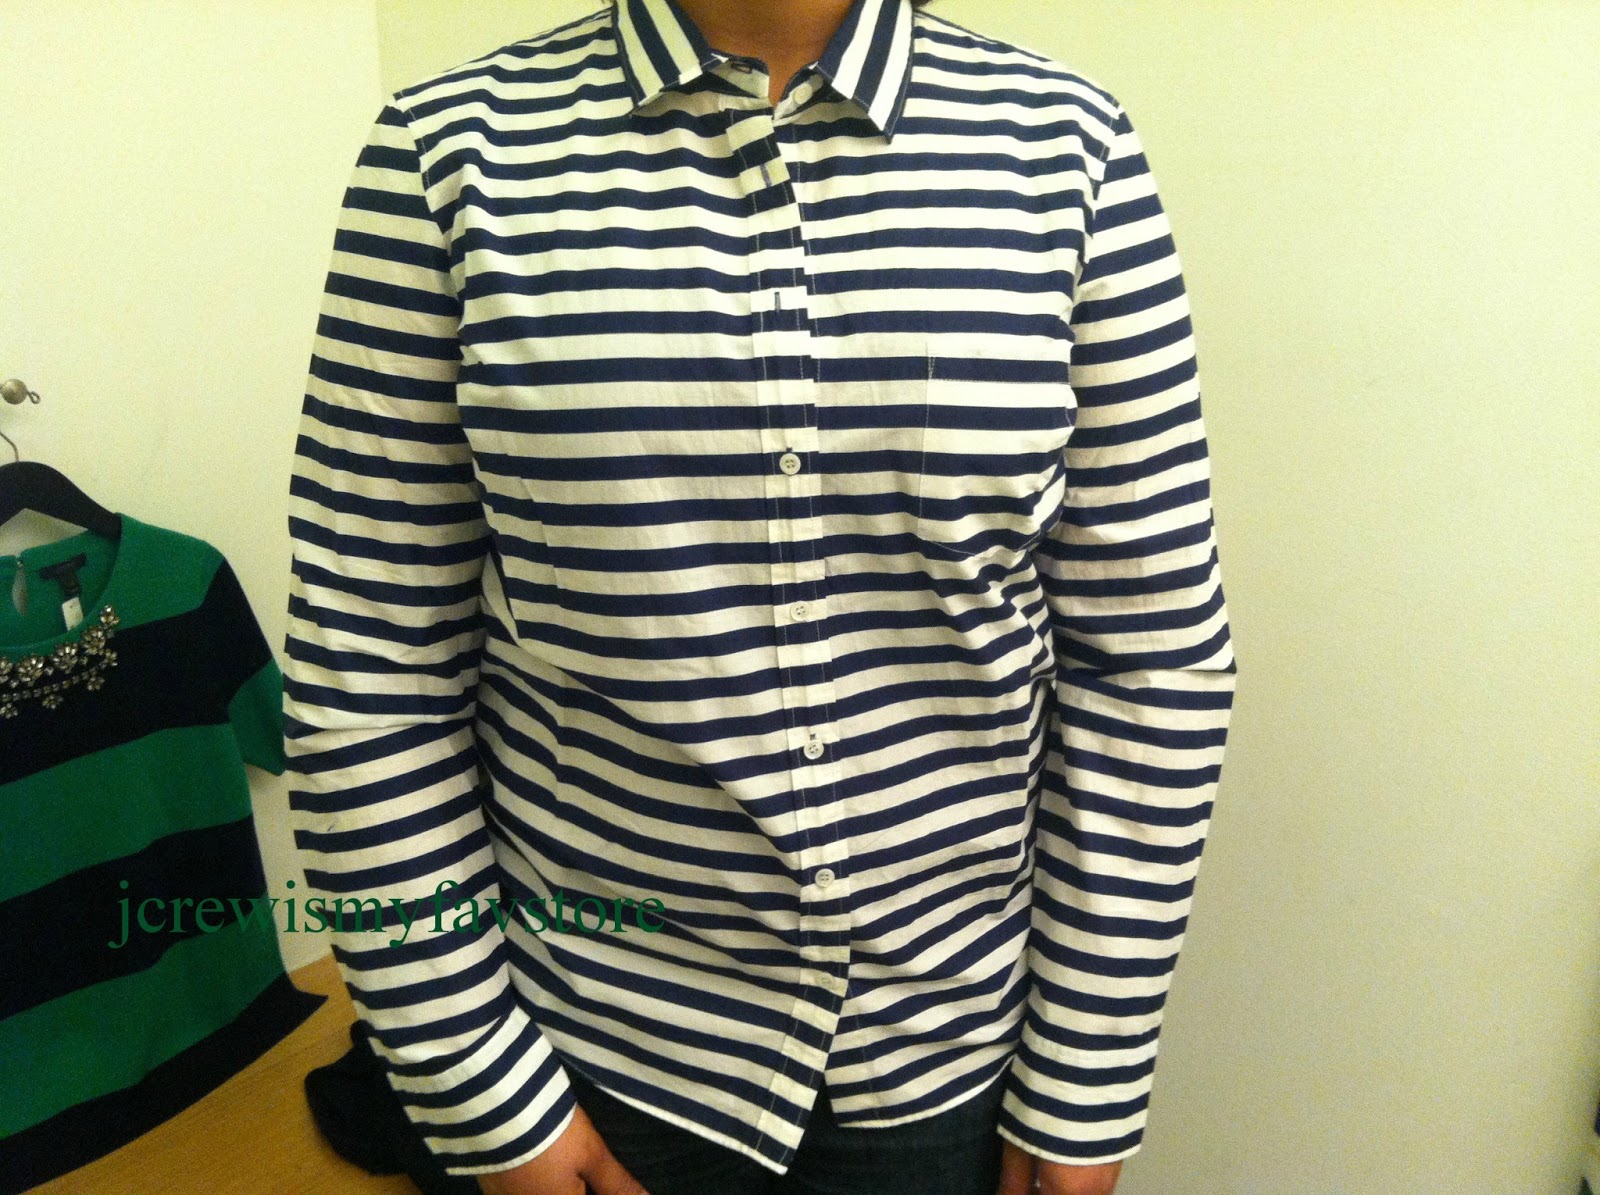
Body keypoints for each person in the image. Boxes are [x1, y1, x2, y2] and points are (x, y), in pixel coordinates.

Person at [283, 0, 1235, 1193]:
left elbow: (1149, 658)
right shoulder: (448, 151)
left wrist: (1086, 1075)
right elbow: (368, 666)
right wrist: (478, 1087)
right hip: (589, 1056)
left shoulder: (1065, 148)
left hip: (943, 1063)